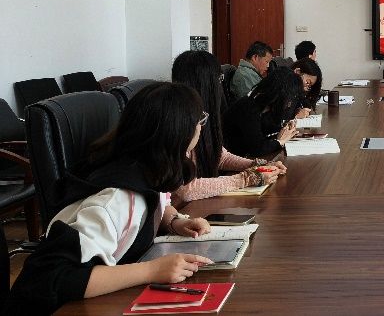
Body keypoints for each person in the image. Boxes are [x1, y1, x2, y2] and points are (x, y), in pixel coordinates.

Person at [6, 83, 214, 314]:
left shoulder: (145, 167)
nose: (200, 126)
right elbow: (53, 278)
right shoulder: (117, 200)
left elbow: (158, 203)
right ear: (178, 134)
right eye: (199, 120)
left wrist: (175, 221)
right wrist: (152, 271)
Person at [171, 51, 286, 204]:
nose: (220, 86)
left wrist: (258, 165)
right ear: (207, 84)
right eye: (219, 79)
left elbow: (220, 156)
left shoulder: (204, 115)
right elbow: (186, 189)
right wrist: (245, 179)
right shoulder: (176, 122)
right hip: (180, 208)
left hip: (198, 203)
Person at [222, 67, 303, 158]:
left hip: (247, 154)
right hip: (235, 158)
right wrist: (280, 141)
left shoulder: (265, 105)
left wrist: (285, 129)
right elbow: (258, 149)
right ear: (278, 94)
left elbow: (267, 131)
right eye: (289, 98)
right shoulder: (248, 108)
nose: (289, 104)